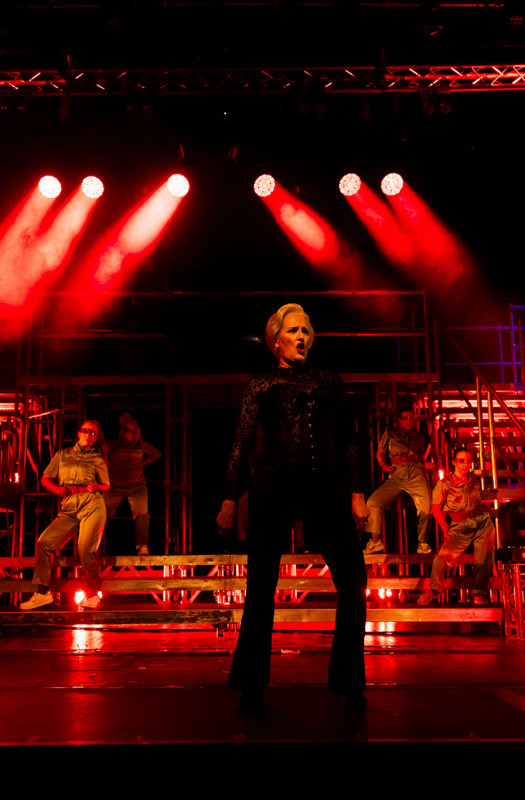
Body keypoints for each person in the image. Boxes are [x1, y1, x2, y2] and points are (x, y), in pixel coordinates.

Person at [216, 303, 369, 716]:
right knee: (261, 585)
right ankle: (252, 685)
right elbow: (241, 440)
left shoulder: (329, 381)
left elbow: (349, 438)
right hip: (274, 483)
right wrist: (230, 497)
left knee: (354, 580)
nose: (302, 336)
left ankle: (349, 681)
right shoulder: (262, 383)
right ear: (276, 341)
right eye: (294, 331)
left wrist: (357, 492)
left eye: (306, 330)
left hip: (325, 484)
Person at [20, 419, 110, 610]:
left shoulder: (97, 458)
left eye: (92, 433)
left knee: (85, 548)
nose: (88, 435)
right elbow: (45, 478)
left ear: (96, 438)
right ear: (78, 433)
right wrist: (57, 490)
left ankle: (92, 595)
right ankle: (42, 593)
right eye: (85, 431)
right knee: (44, 542)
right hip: (69, 506)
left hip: (91, 504)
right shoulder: (62, 455)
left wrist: (97, 486)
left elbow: (106, 485)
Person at [417, 446, 495, 605]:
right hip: (460, 526)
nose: (465, 464)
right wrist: (445, 528)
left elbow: (480, 499)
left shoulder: (474, 481)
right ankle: (434, 590)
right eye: (461, 461)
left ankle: (478, 593)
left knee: (483, 559)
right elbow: (436, 508)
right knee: (441, 559)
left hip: (482, 523)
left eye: (468, 461)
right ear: (454, 462)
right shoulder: (444, 483)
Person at [363, 405, 433, 554]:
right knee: (373, 502)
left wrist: (425, 464)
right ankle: (375, 542)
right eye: (405, 418)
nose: (408, 421)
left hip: (416, 473)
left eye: (411, 418)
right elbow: (379, 453)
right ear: (400, 420)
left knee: (426, 508)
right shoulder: (391, 434)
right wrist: (384, 466)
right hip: (397, 473)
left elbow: (421, 455)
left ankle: (422, 543)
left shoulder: (420, 436)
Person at [104, 413, 161, 556]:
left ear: (135, 433)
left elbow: (156, 453)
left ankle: (143, 546)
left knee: (142, 514)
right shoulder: (112, 444)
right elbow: (101, 453)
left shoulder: (140, 444)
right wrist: (106, 465)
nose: (126, 434)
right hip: (115, 484)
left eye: (129, 431)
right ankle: (96, 547)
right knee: (102, 514)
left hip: (136, 484)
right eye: (124, 430)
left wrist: (144, 463)